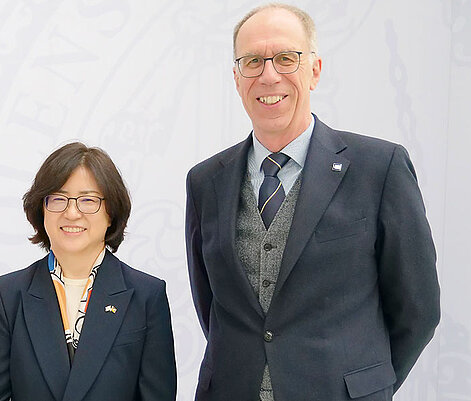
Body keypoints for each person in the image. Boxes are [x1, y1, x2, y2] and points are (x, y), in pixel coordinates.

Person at [185, 4, 440, 401]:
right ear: (237, 79)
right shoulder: (205, 181)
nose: (269, 75)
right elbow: (211, 307)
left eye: (286, 58)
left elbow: (418, 309)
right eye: (252, 61)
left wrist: (366, 384)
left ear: (315, 70)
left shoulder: (380, 168)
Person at [0, 143, 176, 401]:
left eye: (88, 200)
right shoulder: (8, 295)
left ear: (111, 212)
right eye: (58, 199)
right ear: (41, 209)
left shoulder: (146, 295)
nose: (72, 213)